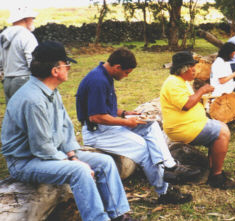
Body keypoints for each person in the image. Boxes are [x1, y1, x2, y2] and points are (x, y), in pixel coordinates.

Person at [1, 41, 136, 221]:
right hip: (26, 161)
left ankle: (119, 214)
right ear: (55, 71)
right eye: (67, 65)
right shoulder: (33, 100)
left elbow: (65, 127)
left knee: (105, 162)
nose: (69, 68)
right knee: (79, 171)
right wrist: (74, 163)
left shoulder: (51, 91)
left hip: (51, 154)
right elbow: (41, 148)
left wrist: (72, 155)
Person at [76, 47, 199, 205]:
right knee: (144, 148)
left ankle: (169, 165)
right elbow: (96, 116)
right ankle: (164, 191)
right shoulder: (98, 81)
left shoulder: (104, 75)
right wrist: (126, 122)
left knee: (151, 125)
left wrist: (126, 113)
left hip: (107, 126)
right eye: (126, 72)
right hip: (97, 132)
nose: (126, 76)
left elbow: (105, 108)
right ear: (117, 67)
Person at [160, 51, 235, 190]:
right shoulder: (173, 83)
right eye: (193, 67)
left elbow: (190, 101)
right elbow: (186, 105)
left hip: (191, 124)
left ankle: (211, 169)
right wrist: (202, 91)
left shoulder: (181, 82)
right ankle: (216, 176)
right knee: (222, 133)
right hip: (182, 128)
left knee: (221, 126)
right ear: (185, 68)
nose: (195, 70)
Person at [0, 5, 38, 103]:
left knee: (13, 115)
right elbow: (33, 62)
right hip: (23, 81)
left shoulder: (3, 36)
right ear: (26, 18)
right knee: (26, 115)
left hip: (7, 82)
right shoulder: (27, 36)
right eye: (32, 18)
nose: (33, 20)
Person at [210, 42, 235, 115]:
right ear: (229, 53)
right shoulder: (219, 62)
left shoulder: (224, 62)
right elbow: (222, 81)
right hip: (221, 89)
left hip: (226, 86)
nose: (234, 55)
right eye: (233, 53)